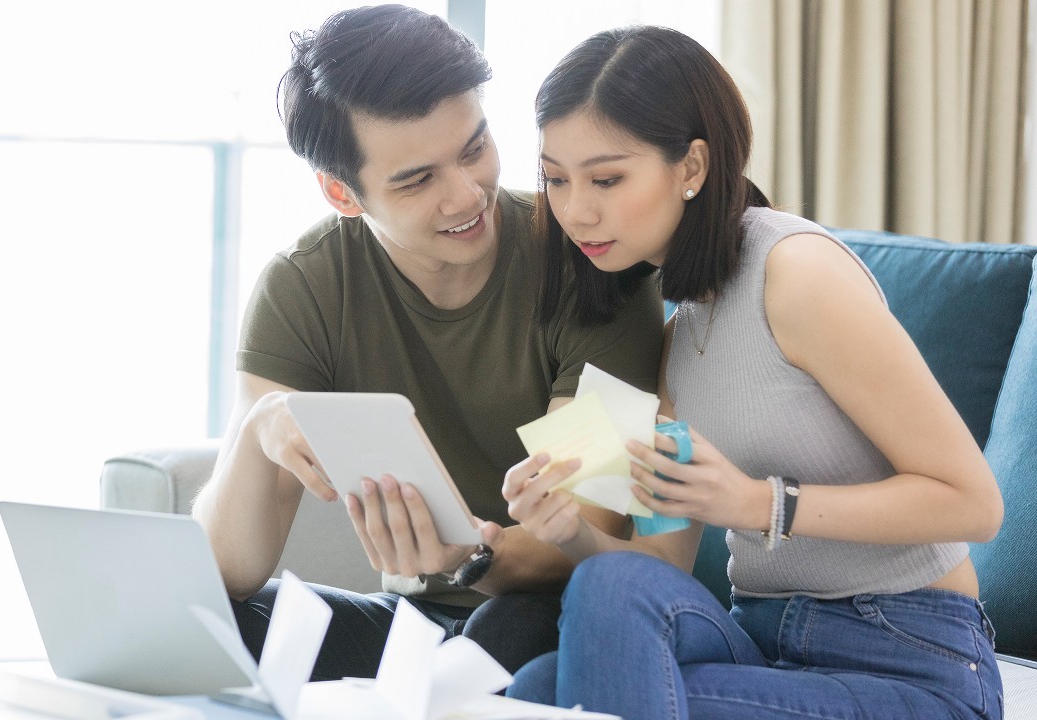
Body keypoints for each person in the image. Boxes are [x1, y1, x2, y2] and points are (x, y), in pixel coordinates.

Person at [502, 25, 1005, 720]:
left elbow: (974, 504)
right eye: (555, 179)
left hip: (909, 655)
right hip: (763, 641)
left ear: (692, 168)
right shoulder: (676, 337)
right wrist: (564, 530)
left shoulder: (796, 273)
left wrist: (754, 504)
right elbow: (656, 569)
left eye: (607, 178)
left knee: (558, 693)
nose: (575, 210)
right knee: (558, 656)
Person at [190, 5, 664, 681]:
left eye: (474, 148)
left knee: (507, 628)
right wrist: (261, 427)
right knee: (209, 625)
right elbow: (229, 571)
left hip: (555, 613)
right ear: (341, 192)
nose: (467, 195)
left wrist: (464, 558)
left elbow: (589, 531)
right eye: (418, 180)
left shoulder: (592, 266)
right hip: (412, 630)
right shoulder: (305, 288)